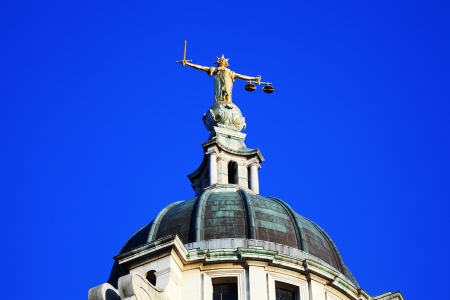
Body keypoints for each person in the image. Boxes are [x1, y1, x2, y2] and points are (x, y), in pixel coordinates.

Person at [180, 55, 261, 103]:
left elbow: (243, 76)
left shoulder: (229, 72)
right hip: (218, 81)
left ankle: (227, 103)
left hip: (227, 81)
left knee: (227, 93)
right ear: (218, 62)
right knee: (219, 94)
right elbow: (201, 67)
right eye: (221, 61)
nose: (222, 62)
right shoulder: (215, 69)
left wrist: (254, 78)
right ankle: (220, 102)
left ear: (226, 63)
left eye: (223, 61)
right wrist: (188, 64)